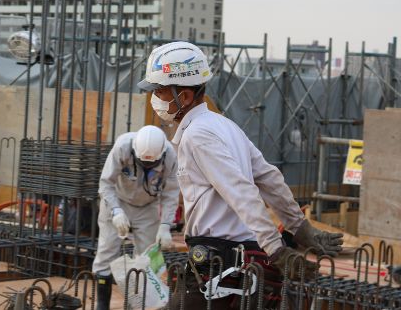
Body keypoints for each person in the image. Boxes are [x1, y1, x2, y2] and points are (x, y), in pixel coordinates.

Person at [137, 41, 343, 308]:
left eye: (161, 91)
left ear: (185, 96)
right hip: (240, 258)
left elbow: (241, 191)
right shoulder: (225, 125)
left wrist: (278, 248)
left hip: (217, 260)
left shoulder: (198, 135)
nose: (156, 99)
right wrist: (299, 227)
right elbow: (270, 178)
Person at [93, 125, 180, 310]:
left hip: (148, 205)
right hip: (117, 200)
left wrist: (165, 225)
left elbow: (171, 193)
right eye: (143, 162)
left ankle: (136, 305)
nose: (146, 166)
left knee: (146, 256)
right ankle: (102, 305)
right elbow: (105, 183)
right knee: (107, 250)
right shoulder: (123, 146)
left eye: (151, 163)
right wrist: (115, 211)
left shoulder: (171, 155)